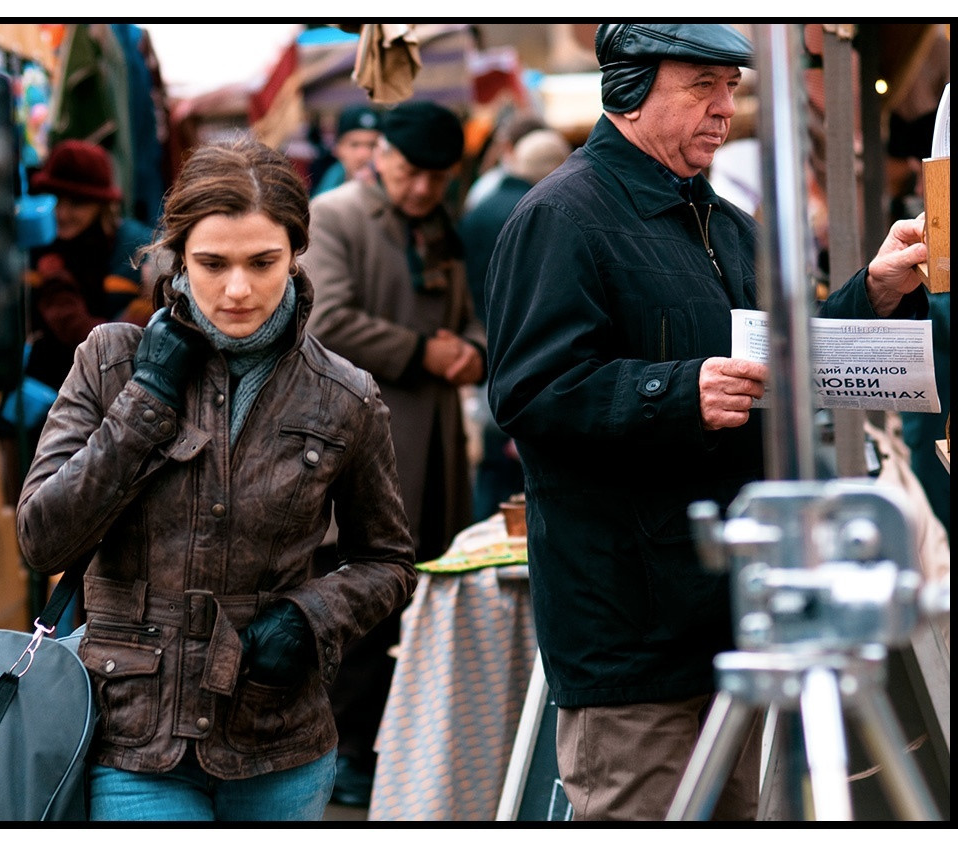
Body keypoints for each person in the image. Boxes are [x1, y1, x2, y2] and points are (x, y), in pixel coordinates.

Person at [483, 23, 931, 821]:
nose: (727, 108)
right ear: (628, 88)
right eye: (702, 85)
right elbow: (529, 392)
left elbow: (782, 357)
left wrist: (875, 291)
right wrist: (677, 392)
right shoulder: (560, 216)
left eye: (732, 87)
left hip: (731, 619)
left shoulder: (729, 222)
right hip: (630, 634)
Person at [15, 134, 416, 822]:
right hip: (132, 736)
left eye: (263, 262)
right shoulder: (111, 360)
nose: (238, 289)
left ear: (295, 252)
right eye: (212, 263)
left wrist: (311, 614)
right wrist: (145, 401)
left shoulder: (343, 395)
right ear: (177, 256)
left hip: (279, 739)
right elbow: (42, 540)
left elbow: (388, 560)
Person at [305, 99, 485, 805]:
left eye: (436, 180)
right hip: (364, 442)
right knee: (358, 600)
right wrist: (424, 351)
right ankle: (347, 752)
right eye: (410, 173)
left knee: (420, 596)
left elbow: (464, 313)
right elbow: (327, 316)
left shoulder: (440, 225)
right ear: (381, 155)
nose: (419, 190)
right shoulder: (337, 214)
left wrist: (470, 345)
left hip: (436, 440)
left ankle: (400, 747)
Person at [460, 128, 570, 519]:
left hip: (488, 354)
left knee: (493, 476)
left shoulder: (481, 207)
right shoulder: (543, 211)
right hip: (530, 360)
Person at [24, 139, 155, 400]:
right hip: (44, 396)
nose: (62, 213)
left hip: (118, 394)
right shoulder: (32, 248)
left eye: (77, 204)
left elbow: (117, 346)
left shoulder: (137, 250)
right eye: (55, 200)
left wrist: (55, 284)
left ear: (102, 205)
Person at [311, 104, 383, 197]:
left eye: (372, 145)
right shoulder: (326, 188)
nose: (363, 154)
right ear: (338, 149)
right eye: (354, 145)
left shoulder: (393, 189)